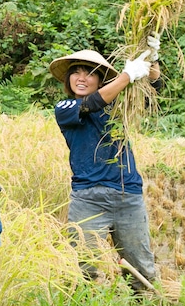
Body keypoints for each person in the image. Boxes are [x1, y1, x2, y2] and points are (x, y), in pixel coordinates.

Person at [50, 37, 160, 291]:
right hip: (88, 197)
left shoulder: (120, 107)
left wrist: (151, 59)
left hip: (127, 192)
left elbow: (153, 90)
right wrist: (127, 75)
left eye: (89, 73)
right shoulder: (66, 107)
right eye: (75, 72)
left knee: (140, 265)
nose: (81, 78)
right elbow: (92, 104)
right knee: (82, 267)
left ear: (100, 80)